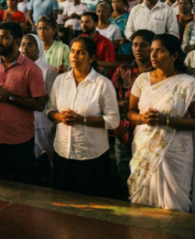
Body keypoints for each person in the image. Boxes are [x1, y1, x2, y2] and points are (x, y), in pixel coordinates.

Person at [127, 34, 195, 213]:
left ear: (174, 55)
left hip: (175, 150)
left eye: (160, 51)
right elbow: (130, 112)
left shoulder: (188, 84)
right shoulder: (143, 79)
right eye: (152, 51)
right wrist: (143, 119)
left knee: (174, 205)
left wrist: (167, 121)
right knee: (142, 203)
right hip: (144, 147)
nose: (153, 55)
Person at [0, 22, 48, 184]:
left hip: (19, 140)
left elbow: (40, 104)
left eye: (4, 38)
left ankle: (43, 163)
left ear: (16, 42)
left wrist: (10, 98)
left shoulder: (31, 69)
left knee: (23, 186)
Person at [46, 37, 120, 197]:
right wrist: (60, 116)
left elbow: (113, 120)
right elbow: (49, 110)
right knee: (62, 201)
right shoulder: (60, 80)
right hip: (63, 151)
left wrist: (83, 120)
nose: (74, 56)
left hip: (91, 155)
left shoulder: (102, 84)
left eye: (81, 53)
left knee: (92, 203)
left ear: (91, 58)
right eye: (73, 51)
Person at [110, 30, 154, 189]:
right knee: (123, 165)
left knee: (145, 171)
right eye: (135, 45)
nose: (138, 49)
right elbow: (110, 98)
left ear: (152, 48)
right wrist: (124, 105)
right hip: (124, 127)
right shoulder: (123, 70)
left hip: (147, 129)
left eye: (144, 45)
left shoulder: (157, 73)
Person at [19, 34, 56, 171]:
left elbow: (52, 94)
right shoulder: (18, 66)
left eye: (29, 45)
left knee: (43, 150)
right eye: (23, 44)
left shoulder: (47, 69)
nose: (25, 48)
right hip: (23, 115)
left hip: (41, 117)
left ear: (38, 47)